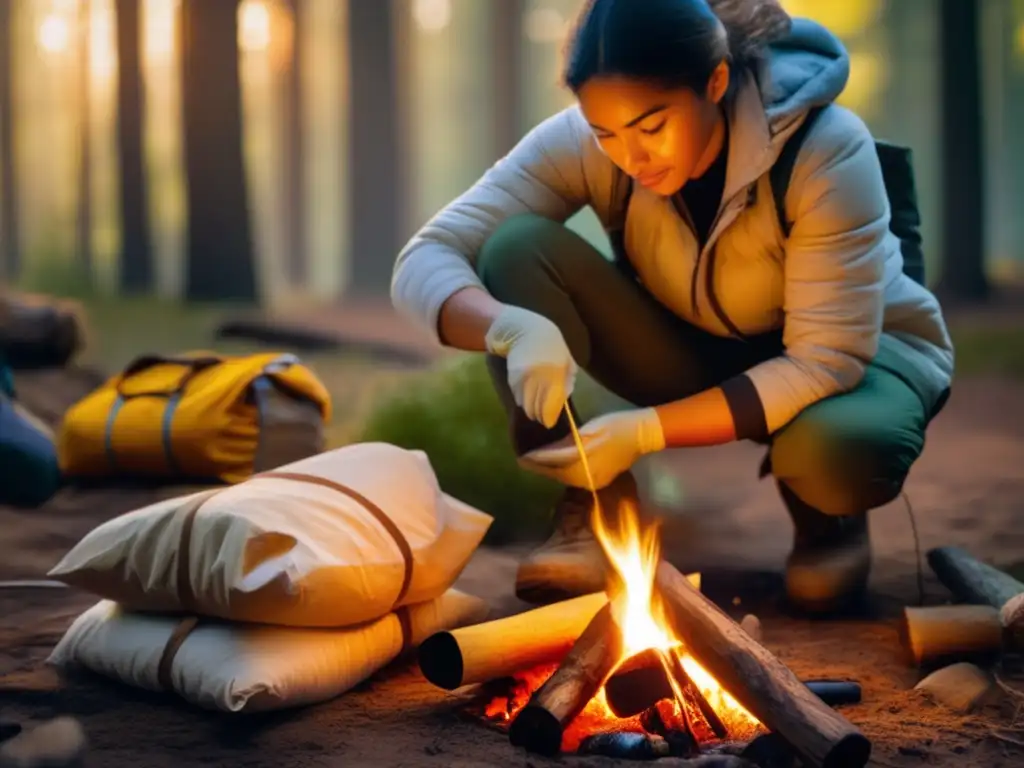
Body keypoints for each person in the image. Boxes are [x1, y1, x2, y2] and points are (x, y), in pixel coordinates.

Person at [390, 0, 954, 615]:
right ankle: (594, 512)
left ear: (714, 81)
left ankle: (828, 515)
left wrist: (646, 430)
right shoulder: (588, 144)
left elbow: (825, 362)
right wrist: (507, 327)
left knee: (835, 454)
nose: (631, 157)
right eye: (606, 133)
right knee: (515, 250)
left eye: (652, 126)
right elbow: (428, 255)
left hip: (856, 359)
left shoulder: (825, 147)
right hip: (697, 338)